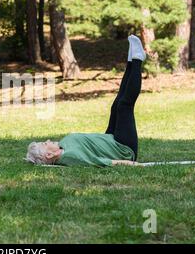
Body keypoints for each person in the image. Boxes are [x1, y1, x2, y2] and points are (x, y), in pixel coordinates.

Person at [25, 35, 147, 167]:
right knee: (124, 106)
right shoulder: (71, 157)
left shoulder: (62, 146)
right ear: (49, 155)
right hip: (123, 148)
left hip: (110, 140)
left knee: (116, 105)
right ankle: (137, 60)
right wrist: (133, 164)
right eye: (45, 144)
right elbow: (102, 162)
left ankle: (131, 62)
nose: (48, 140)